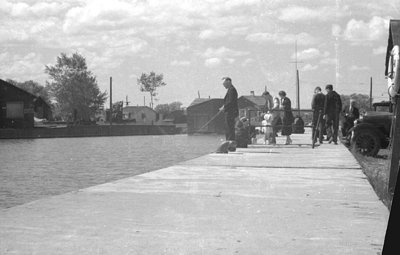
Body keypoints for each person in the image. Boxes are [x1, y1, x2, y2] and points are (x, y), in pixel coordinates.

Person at [220, 77, 239, 142]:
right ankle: (229, 142)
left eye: (224, 84)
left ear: (228, 82)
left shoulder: (232, 90)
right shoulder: (230, 90)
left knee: (229, 128)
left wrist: (224, 107)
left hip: (230, 112)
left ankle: (230, 142)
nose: (223, 85)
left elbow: (231, 101)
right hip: (230, 112)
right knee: (228, 128)